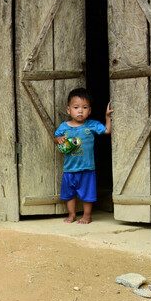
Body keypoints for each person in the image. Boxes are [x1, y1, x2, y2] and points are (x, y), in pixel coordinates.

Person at [53, 88, 113, 224]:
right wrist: (59, 139)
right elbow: (56, 138)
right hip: (69, 169)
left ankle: (87, 216)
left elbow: (107, 131)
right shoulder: (64, 126)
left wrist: (107, 116)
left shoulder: (92, 125)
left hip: (87, 168)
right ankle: (72, 214)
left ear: (89, 111)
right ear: (69, 110)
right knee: (69, 194)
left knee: (87, 194)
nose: (80, 110)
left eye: (84, 107)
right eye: (76, 107)